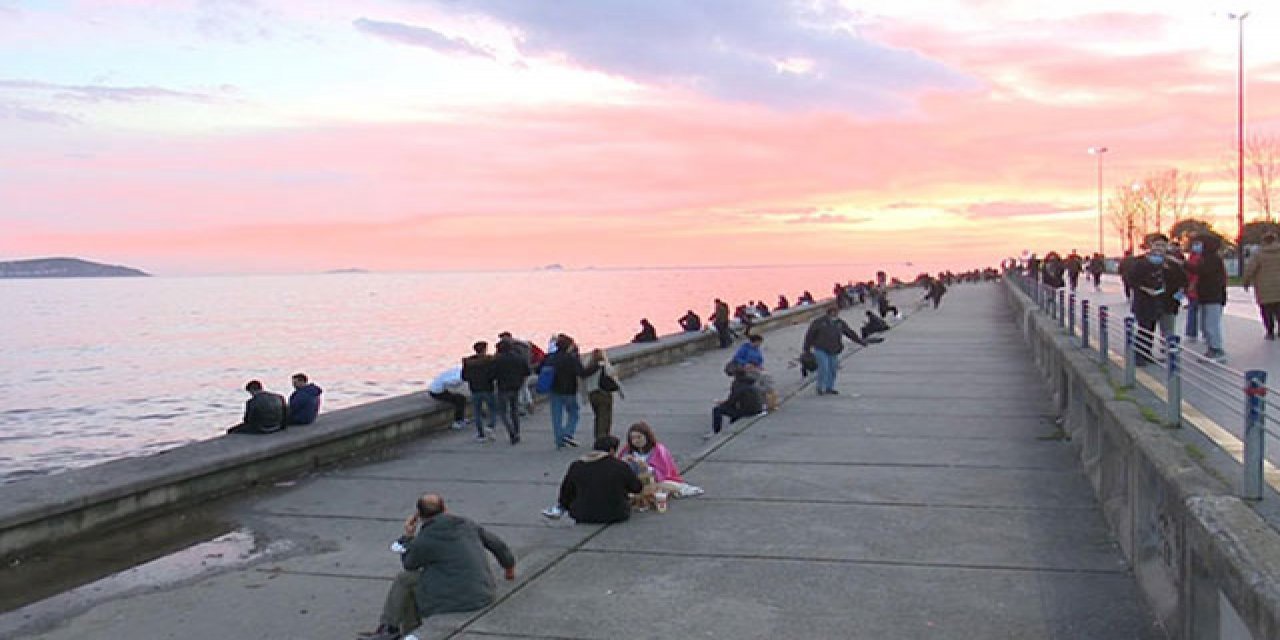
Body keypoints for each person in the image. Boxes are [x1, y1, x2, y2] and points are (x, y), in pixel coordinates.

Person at [362, 493, 515, 640]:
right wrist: (509, 568)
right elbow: (498, 545)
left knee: (405, 580)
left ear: (419, 516)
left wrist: (408, 536)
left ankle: (390, 628)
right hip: (484, 595)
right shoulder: (467, 525)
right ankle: (404, 630)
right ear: (445, 509)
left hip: (456, 601)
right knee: (419, 580)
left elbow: (409, 564)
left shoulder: (426, 539)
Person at [542, 435, 642, 523]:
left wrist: (566, 505)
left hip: (582, 514)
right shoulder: (620, 466)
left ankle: (558, 510)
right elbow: (636, 488)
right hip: (616, 514)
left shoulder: (577, 465)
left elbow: (566, 492)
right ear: (612, 450)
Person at [1127, 233, 1187, 366]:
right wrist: (1144, 288)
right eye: (1157, 245)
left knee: (1168, 331)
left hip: (1167, 302)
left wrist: (1178, 294)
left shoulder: (1173, 264)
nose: (1159, 248)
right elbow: (1131, 279)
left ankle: (1171, 358)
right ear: (1151, 246)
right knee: (1146, 330)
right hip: (1145, 302)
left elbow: (1183, 281)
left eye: (1163, 245)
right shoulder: (1140, 262)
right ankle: (1142, 356)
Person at [619, 422, 703, 498]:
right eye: (632, 438)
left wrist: (647, 467)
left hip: (656, 481)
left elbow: (665, 472)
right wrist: (623, 462)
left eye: (639, 437)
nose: (636, 441)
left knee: (665, 486)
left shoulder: (658, 450)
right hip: (634, 482)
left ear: (646, 436)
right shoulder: (627, 450)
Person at [542, 334, 598, 449]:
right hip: (569, 390)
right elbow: (582, 373)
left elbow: (539, 369)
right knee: (573, 412)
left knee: (556, 416)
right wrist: (596, 366)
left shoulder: (550, 357)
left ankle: (559, 440)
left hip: (554, 390)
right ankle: (568, 433)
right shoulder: (571, 359)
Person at [802, 305, 866, 395]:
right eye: (832, 312)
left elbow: (849, 333)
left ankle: (829, 387)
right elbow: (809, 335)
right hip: (820, 348)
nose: (834, 313)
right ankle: (820, 387)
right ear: (828, 312)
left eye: (836, 311)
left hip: (834, 349)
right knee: (824, 368)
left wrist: (860, 342)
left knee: (832, 369)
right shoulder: (818, 322)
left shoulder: (840, 323)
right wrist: (806, 349)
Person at [1192, 233, 1228, 362]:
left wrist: (1182, 264)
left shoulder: (1212, 259)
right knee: (1205, 325)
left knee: (1211, 325)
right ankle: (1211, 348)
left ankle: (1216, 349)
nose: (1196, 246)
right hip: (1206, 296)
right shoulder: (1206, 258)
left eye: (1199, 244)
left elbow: (1200, 270)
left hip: (1213, 296)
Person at [707, 367, 764, 438]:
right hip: (758, 409)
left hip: (747, 412)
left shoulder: (738, 384)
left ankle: (716, 432)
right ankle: (732, 423)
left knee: (717, 409)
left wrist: (721, 403)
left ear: (735, 375)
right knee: (734, 409)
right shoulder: (751, 382)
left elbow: (732, 401)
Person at [492, 340, 530, 444]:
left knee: (503, 412)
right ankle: (517, 432)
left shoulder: (498, 360)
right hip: (516, 386)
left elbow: (492, 374)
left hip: (503, 387)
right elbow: (527, 371)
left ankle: (512, 432)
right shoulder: (519, 358)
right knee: (514, 411)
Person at [1244, 232, 1280, 340]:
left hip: (1264, 288)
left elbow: (1250, 269)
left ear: (1264, 241)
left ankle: (1270, 332)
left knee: (1266, 310)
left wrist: (1246, 281)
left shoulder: (1258, 254)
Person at [582, 348, 623, 440]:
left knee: (597, 416)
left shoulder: (587, 367)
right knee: (605, 417)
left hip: (592, 394)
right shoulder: (604, 366)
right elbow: (613, 375)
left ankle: (597, 436)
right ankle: (603, 437)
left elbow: (584, 381)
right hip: (603, 394)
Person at [461, 341, 498, 442]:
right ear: (485, 349)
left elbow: (464, 377)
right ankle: (490, 427)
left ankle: (481, 434)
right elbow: (494, 374)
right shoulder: (490, 360)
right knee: (493, 410)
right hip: (488, 388)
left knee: (477, 412)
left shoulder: (468, 362)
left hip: (474, 389)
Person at [427, 365, 468, 430]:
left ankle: (461, 418)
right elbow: (447, 383)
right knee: (460, 400)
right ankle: (457, 422)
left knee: (461, 397)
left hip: (437, 387)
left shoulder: (459, 369)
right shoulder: (456, 379)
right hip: (437, 392)